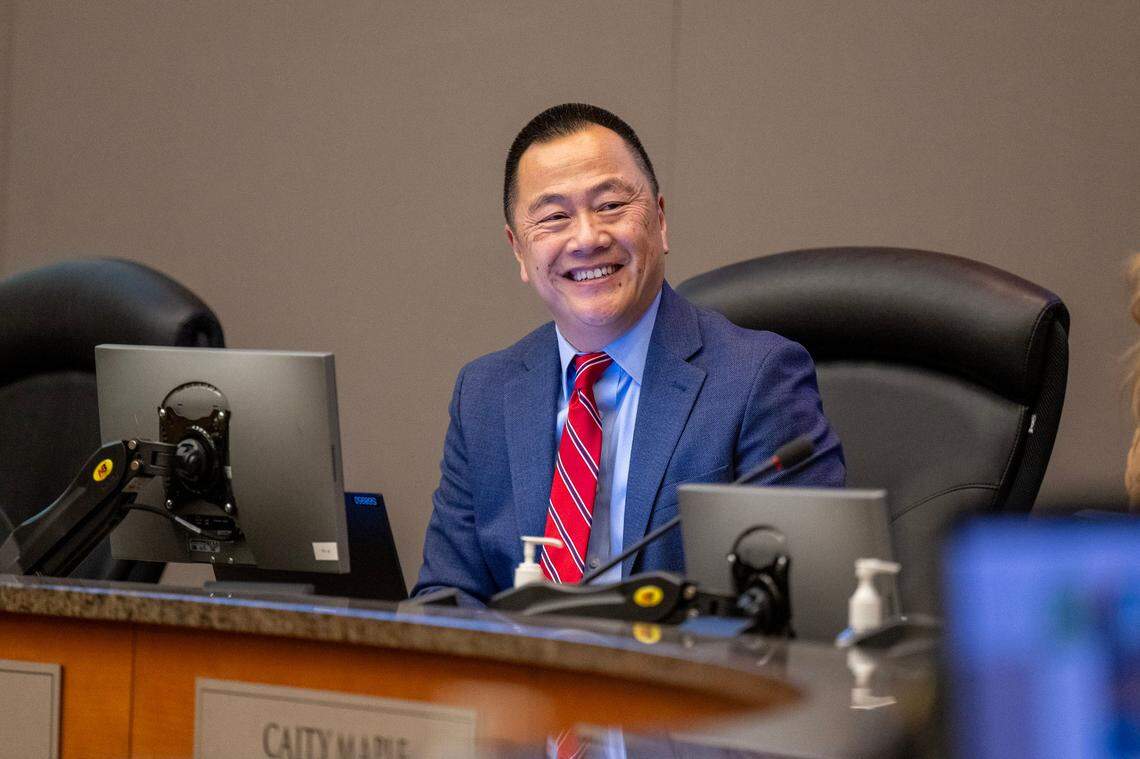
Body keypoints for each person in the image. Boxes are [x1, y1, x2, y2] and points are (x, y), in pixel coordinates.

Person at [413, 103, 844, 605]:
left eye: (611, 206)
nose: (587, 238)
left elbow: (803, 609)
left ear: (659, 221)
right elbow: (446, 596)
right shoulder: (484, 394)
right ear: (519, 251)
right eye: (554, 217)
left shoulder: (756, 380)